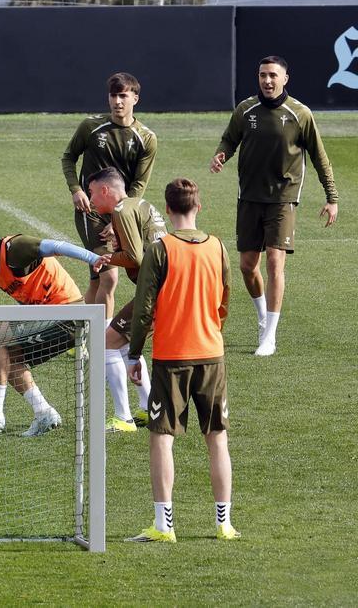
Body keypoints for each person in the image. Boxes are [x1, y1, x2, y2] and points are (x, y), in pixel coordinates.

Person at [124, 178, 237, 542]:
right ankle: (224, 524)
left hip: (172, 357)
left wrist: (134, 352)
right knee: (216, 438)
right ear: (198, 207)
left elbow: (143, 310)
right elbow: (224, 301)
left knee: (162, 439)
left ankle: (164, 525)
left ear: (168, 210)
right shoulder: (217, 247)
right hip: (211, 354)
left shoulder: (160, 250)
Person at [210, 55, 339, 356]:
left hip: (283, 197)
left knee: (274, 261)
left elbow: (320, 157)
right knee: (246, 266)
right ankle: (262, 316)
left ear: (285, 79)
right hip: (249, 197)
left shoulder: (300, 114)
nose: (267, 81)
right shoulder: (245, 110)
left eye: (273, 75)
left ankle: (270, 335)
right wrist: (221, 154)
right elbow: (229, 140)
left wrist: (332, 197)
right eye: (262, 75)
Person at [0, 219, 109, 437]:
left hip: (67, 315)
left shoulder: (14, 248)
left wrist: (93, 258)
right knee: (7, 356)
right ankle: (43, 412)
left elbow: (56, 247)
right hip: (51, 318)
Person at [60, 72, 157, 325]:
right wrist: (76, 189)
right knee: (110, 277)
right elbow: (69, 157)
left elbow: (139, 184)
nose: (117, 101)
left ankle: (81, 335)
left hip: (121, 213)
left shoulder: (146, 138)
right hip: (89, 211)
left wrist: (119, 220)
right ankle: (102, 341)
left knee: (97, 276)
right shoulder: (91, 127)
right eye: (113, 95)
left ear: (135, 98)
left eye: (123, 95)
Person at [87, 166, 165, 432]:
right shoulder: (140, 205)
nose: (92, 200)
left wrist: (109, 258)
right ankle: (146, 408)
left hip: (155, 291)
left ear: (105, 190)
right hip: (165, 288)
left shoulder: (121, 211)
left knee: (106, 341)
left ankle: (123, 418)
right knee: (121, 342)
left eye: (93, 193)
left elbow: (135, 257)